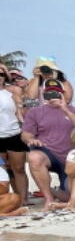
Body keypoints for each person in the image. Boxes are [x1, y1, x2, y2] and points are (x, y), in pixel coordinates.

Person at [21, 95, 75, 208]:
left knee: (74, 194)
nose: (52, 96)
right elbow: (26, 134)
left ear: (64, 93)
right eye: (48, 93)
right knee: (34, 157)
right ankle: (49, 198)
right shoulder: (35, 112)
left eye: (56, 93)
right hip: (48, 153)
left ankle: (59, 195)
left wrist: (65, 109)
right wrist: (31, 140)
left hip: (72, 157)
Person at [0, 66, 28, 205]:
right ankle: (6, 201)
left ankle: (23, 199)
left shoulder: (12, 91)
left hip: (13, 133)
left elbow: (20, 111)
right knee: (4, 171)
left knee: (19, 168)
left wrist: (24, 129)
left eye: (1, 74)